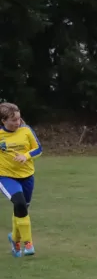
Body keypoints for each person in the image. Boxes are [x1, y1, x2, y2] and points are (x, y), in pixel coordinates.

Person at [0, 103, 42, 257]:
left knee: (22, 209)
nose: (17, 122)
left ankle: (15, 239)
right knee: (19, 203)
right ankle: (28, 243)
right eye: (13, 120)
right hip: (6, 177)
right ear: (3, 121)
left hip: (27, 177)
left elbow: (38, 149)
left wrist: (26, 156)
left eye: (18, 119)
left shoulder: (26, 130)